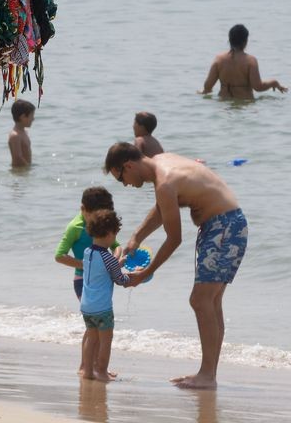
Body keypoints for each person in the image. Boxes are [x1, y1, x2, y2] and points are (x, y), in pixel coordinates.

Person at [104, 142, 248, 390]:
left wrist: (145, 274)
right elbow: (163, 208)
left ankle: (207, 375)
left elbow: (175, 239)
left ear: (128, 165)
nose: (125, 184)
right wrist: (136, 239)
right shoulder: (163, 161)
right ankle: (208, 373)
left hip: (223, 228)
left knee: (201, 301)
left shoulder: (165, 182)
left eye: (121, 178)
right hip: (226, 225)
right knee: (210, 302)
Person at [54, 186, 119, 375]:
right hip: (83, 280)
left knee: (95, 325)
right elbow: (59, 255)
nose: (99, 219)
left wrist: (115, 258)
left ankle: (94, 367)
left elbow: (116, 245)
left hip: (102, 280)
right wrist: (87, 265)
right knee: (95, 325)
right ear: (83, 209)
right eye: (96, 214)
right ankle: (88, 367)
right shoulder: (75, 227)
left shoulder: (102, 224)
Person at [79, 208, 131, 382]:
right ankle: (102, 372)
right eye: (115, 235)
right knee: (105, 340)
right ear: (109, 234)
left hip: (87, 307)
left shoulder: (87, 253)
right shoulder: (108, 258)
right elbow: (119, 279)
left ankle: (87, 371)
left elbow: (102, 269)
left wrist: (117, 263)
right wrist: (130, 274)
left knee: (91, 338)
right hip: (103, 308)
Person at [199, 24, 287, 100]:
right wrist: (274, 83)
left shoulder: (219, 59)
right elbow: (258, 87)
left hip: (224, 105)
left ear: (229, 40)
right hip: (245, 104)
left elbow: (207, 86)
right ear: (245, 41)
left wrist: (203, 92)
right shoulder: (250, 61)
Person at [8, 99, 34, 168]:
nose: (33, 119)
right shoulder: (15, 136)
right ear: (23, 117)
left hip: (24, 170)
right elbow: (17, 157)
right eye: (31, 116)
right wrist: (29, 168)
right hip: (18, 172)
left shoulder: (24, 132)